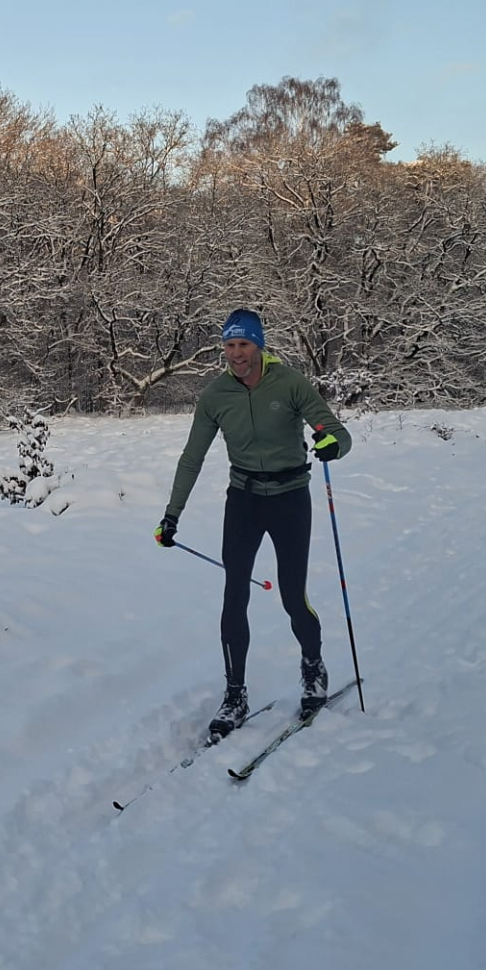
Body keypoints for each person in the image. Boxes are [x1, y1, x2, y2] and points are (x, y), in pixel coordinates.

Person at [155, 308, 351, 743]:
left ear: (259, 346)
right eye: (229, 345)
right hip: (243, 499)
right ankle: (235, 695)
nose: (236, 354)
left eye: (244, 344)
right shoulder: (216, 396)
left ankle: (313, 666)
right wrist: (172, 514)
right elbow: (192, 457)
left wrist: (331, 442)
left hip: (289, 498)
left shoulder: (291, 384)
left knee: (291, 596)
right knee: (234, 595)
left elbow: (335, 430)